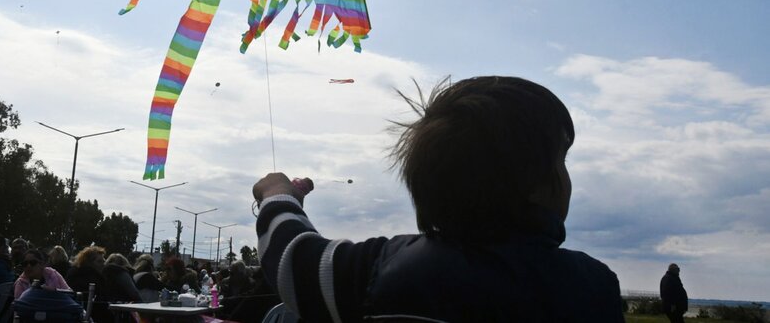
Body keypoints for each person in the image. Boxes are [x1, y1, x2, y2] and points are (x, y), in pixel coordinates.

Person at [252, 76, 625, 322]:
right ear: (541, 185)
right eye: (562, 160)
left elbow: (294, 262)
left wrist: (278, 194)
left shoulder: (389, 269)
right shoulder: (593, 286)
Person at [66, 246, 112, 323]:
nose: (103, 264)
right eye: (99, 261)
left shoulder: (73, 273)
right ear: (89, 263)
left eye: (104, 261)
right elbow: (100, 305)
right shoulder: (93, 278)